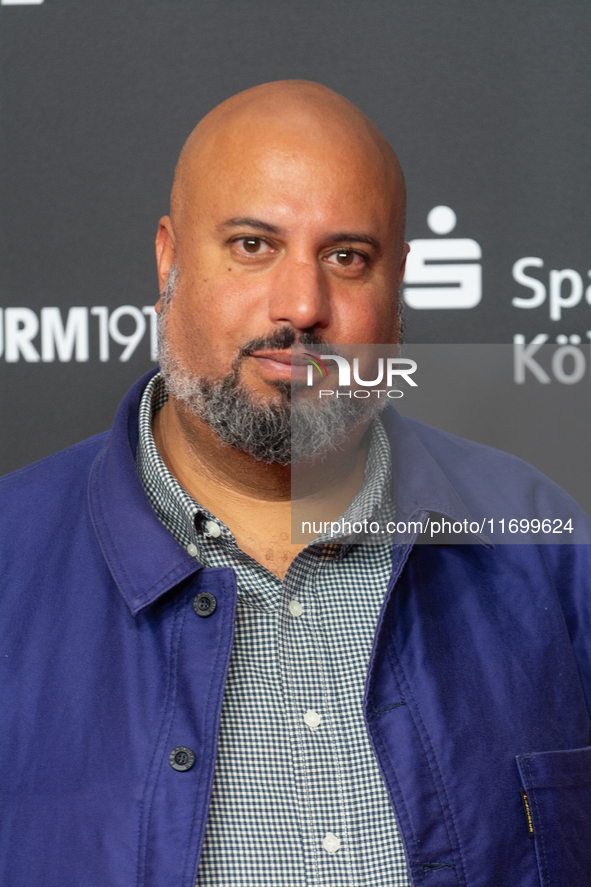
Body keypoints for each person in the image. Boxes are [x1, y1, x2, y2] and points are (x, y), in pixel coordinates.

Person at [1, 80, 590, 887]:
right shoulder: (13, 563)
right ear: (169, 259)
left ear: (397, 286)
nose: (303, 305)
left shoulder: (544, 541)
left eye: (347, 258)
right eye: (253, 245)